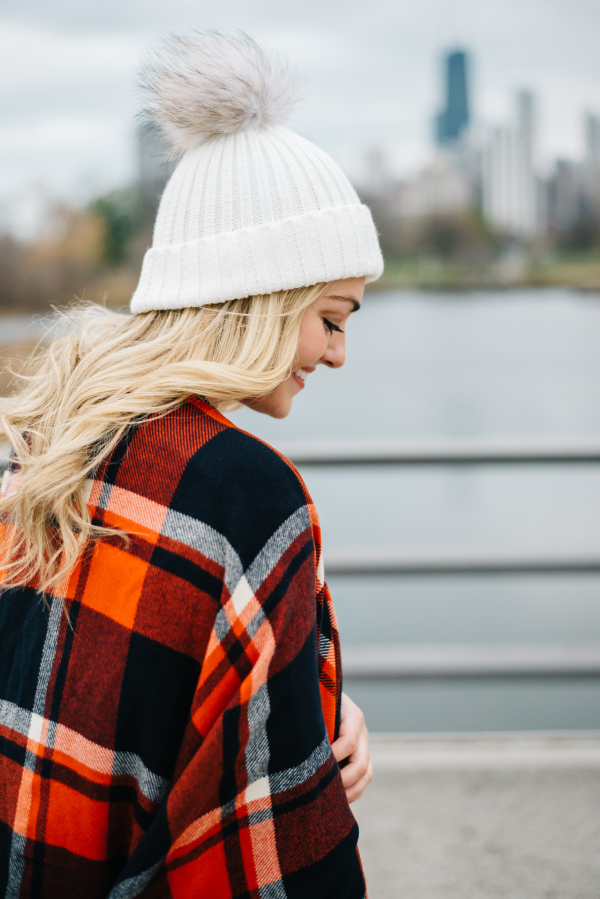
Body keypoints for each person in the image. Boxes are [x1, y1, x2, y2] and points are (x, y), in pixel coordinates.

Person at [0, 30, 383, 899]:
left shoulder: (54, 442)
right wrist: (305, 745)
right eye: (333, 316)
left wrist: (307, 715)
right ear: (262, 298)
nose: (337, 352)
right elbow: (268, 845)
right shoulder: (242, 492)